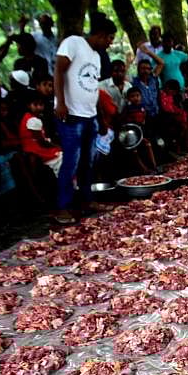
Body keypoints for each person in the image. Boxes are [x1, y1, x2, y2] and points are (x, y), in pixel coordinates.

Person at [53, 12, 117, 224]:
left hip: (90, 115)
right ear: (100, 34)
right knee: (71, 162)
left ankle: (87, 200)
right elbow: (59, 72)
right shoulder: (73, 43)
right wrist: (61, 103)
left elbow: (94, 87)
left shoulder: (97, 56)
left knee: (88, 162)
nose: (110, 44)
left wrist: (101, 118)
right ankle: (63, 207)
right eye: (109, 39)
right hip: (71, 114)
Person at [19, 92, 62, 176]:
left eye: (41, 104)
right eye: (35, 104)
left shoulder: (28, 117)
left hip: (33, 148)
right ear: (29, 105)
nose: (39, 107)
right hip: (36, 149)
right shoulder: (33, 121)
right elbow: (42, 142)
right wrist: (57, 146)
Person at [119, 86, 158, 174]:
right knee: (134, 151)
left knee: (148, 145)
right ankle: (143, 168)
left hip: (141, 132)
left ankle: (154, 166)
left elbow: (144, 120)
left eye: (137, 95)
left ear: (141, 96)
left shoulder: (143, 107)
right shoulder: (127, 109)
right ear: (128, 98)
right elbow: (124, 122)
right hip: (132, 135)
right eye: (132, 96)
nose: (135, 98)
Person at [159, 79, 188, 153]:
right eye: (173, 91)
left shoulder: (170, 96)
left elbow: (173, 106)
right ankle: (176, 147)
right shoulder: (161, 95)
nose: (174, 94)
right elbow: (165, 108)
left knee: (184, 125)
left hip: (171, 116)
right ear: (168, 88)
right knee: (182, 126)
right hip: (165, 117)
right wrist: (176, 113)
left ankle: (181, 146)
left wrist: (180, 112)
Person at [132, 56, 163, 123]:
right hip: (143, 117)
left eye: (148, 69)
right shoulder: (134, 82)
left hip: (156, 114)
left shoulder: (153, 81)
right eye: (143, 68)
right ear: (138, 69)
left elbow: (161, 63)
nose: (145, 71)